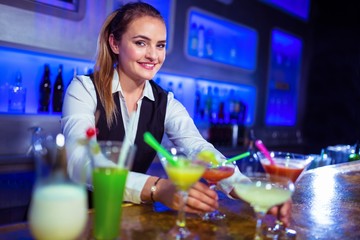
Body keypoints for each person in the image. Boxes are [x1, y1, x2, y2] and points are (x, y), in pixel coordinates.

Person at [61, 2, 291, 225]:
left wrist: (249, 189)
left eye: (160, 45)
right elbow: (79, 162)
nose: (153, 55)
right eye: (141, 43)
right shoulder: (84, 89)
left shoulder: (165, 102)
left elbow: (200, 150)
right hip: (75, 216)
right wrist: (158, 188)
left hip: (127, 217)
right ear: (114, 43)